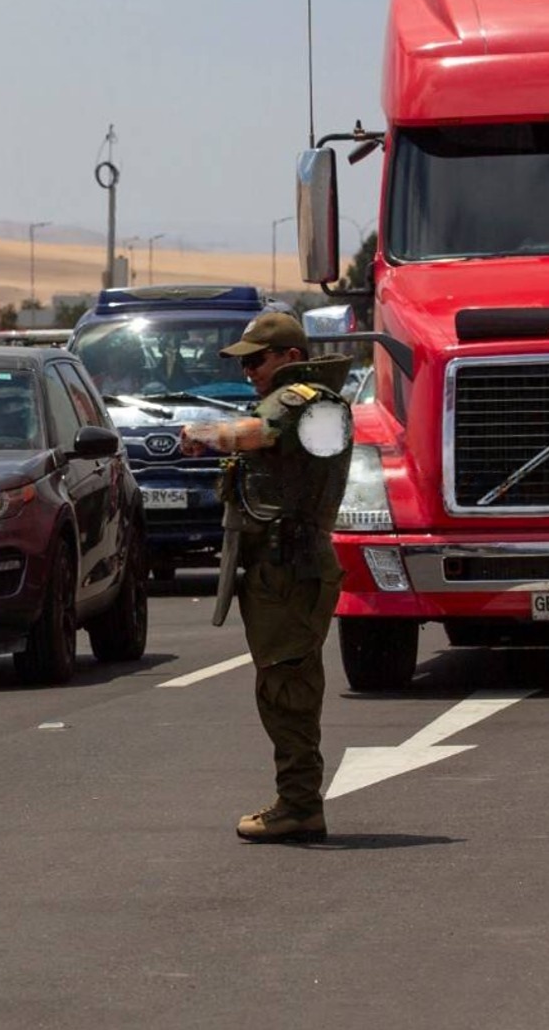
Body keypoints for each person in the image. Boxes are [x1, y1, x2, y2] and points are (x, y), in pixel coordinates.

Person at [179, 310, 353, 843]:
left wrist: (208, 434)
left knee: (287, 685)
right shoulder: (302, 402)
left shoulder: (308, 402)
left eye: (257, 360)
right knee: (282, 683)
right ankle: (296, 799)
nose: (249, 370)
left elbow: (261, 433)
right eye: (245, 362)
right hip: (280, 567)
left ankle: (299, 805)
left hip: (291, 567)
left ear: (291, 358)